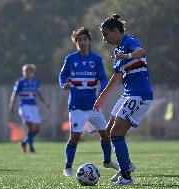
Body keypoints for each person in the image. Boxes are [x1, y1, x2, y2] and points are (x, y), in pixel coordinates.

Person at [93, 14, 153, 186]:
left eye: (105, 34)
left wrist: (126, 56)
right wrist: (101, 98)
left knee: (116, 134)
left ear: (115, 31)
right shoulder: (117, 50)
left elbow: (142, 52)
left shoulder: (129, 41)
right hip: (128, 93)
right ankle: (125, 166)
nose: (104, 39)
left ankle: (126, 177)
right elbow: (116, 78)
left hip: (139, 94)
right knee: (109, 129)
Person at [59, 27, 119, 177]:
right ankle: (68, 167)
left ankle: (107, 161)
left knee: (105, 134)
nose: (82, 42)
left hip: (93, 105)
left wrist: (102, 92)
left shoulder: (96, 59)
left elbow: (103, 78)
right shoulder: (70, 59)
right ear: (76, 43)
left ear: (89, 41)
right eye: (79, 40)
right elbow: (62, 76)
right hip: (76, 106)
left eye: (85, 39)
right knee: (75, 137)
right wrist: (63, 85)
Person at [9, 64, 49, 153]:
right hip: (24, 106)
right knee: (30, 126)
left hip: (33, 107)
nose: (25, 72)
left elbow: (39, 94)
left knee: (37, 129)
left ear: (32, 72)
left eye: (27, 70)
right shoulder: (20, 82)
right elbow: (14, 94)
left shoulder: (36, 82)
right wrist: (11, 106)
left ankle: (24, 142)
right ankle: (31, 148)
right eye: (24, 71)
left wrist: (45, 102)